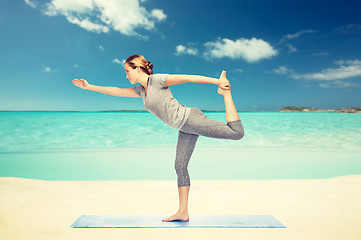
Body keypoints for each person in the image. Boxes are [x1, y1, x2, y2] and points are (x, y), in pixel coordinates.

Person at [72, 54, 244, 222]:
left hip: (190, 119)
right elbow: (117, 91)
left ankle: (225, 95)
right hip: (184, 128)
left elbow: (188, 78)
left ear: (137, 68)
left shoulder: (157, 81)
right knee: (180, 166)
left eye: (127, 71)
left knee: (236, 133)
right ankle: (183, 212)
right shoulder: (141, 90)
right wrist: (89, 87)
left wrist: (218, 82)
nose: (126, 75)